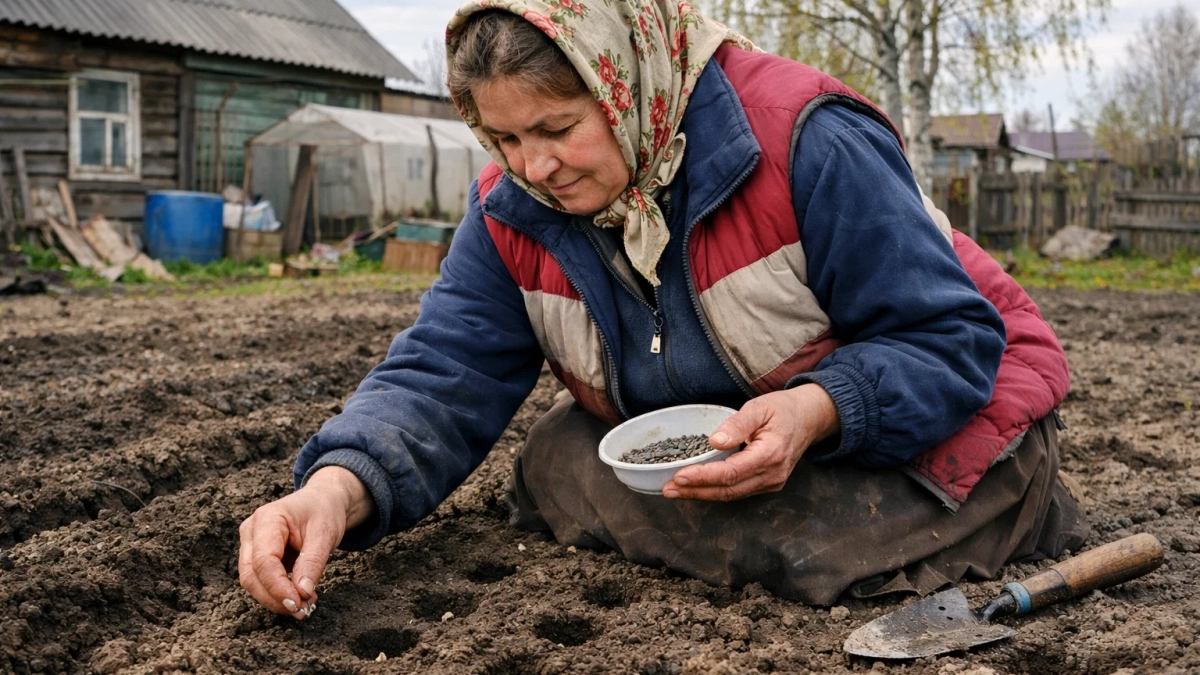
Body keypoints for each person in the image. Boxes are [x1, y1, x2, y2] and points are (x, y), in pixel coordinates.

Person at [238, 0, 1087, 620]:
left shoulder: (805, 137)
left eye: (558, 126)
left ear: (624, 77)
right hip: (730, 425)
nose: (533, 166)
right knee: (553, 464)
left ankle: (1019, 504)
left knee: (797, 537)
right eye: (503, 139)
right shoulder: (509, 204)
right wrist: (334, 490)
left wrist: (818, 409)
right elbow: (443, 370)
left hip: (944, 404)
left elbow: (948, 337)